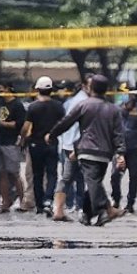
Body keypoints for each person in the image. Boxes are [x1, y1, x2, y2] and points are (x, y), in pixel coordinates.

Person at [48, 74, 125, 226]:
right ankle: (99, 211)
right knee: (94, 181)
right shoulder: (113, 109)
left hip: (86, 150)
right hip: (104, 153)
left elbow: (66, 122)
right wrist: (120, 153)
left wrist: (52, 134)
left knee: (93, 182)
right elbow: (119, 134)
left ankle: (98, 212)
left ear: (90, 87)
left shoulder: (84, 105)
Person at [21, 76, 64, 215]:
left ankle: (39, 205)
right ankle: (48, 200)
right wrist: (53, 134)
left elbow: (26, 127)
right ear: (51, 90)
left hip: (35, 144)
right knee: (52, 174)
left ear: (37, 89)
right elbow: (63, 123)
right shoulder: (58, 106)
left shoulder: (33, 107)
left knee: (37, 175)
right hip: (51, 144)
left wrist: (22, 139)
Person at [53, 78, 89, 221]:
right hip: (72, 145)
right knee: (74, 177)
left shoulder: (75, 101)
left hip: (71, 144)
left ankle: (72, 206)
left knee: (72, 177)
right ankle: (70, 206)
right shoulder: (77, 102)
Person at [110, 94, 137, 213]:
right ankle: (116, 199)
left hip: (134, 148)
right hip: (119, 148)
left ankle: (130, 202)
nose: (126, 106)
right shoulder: (116, 110)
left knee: (134, 176)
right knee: (115, 175)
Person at [0, 82, 26, 212]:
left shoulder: (17, 105)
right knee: (1, 173)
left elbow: (19, 124)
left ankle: (22, 201)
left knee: (14, 173)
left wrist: (2, 124)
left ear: (8, 89)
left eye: (1, 89)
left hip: (11, 142)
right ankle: (5, 201)